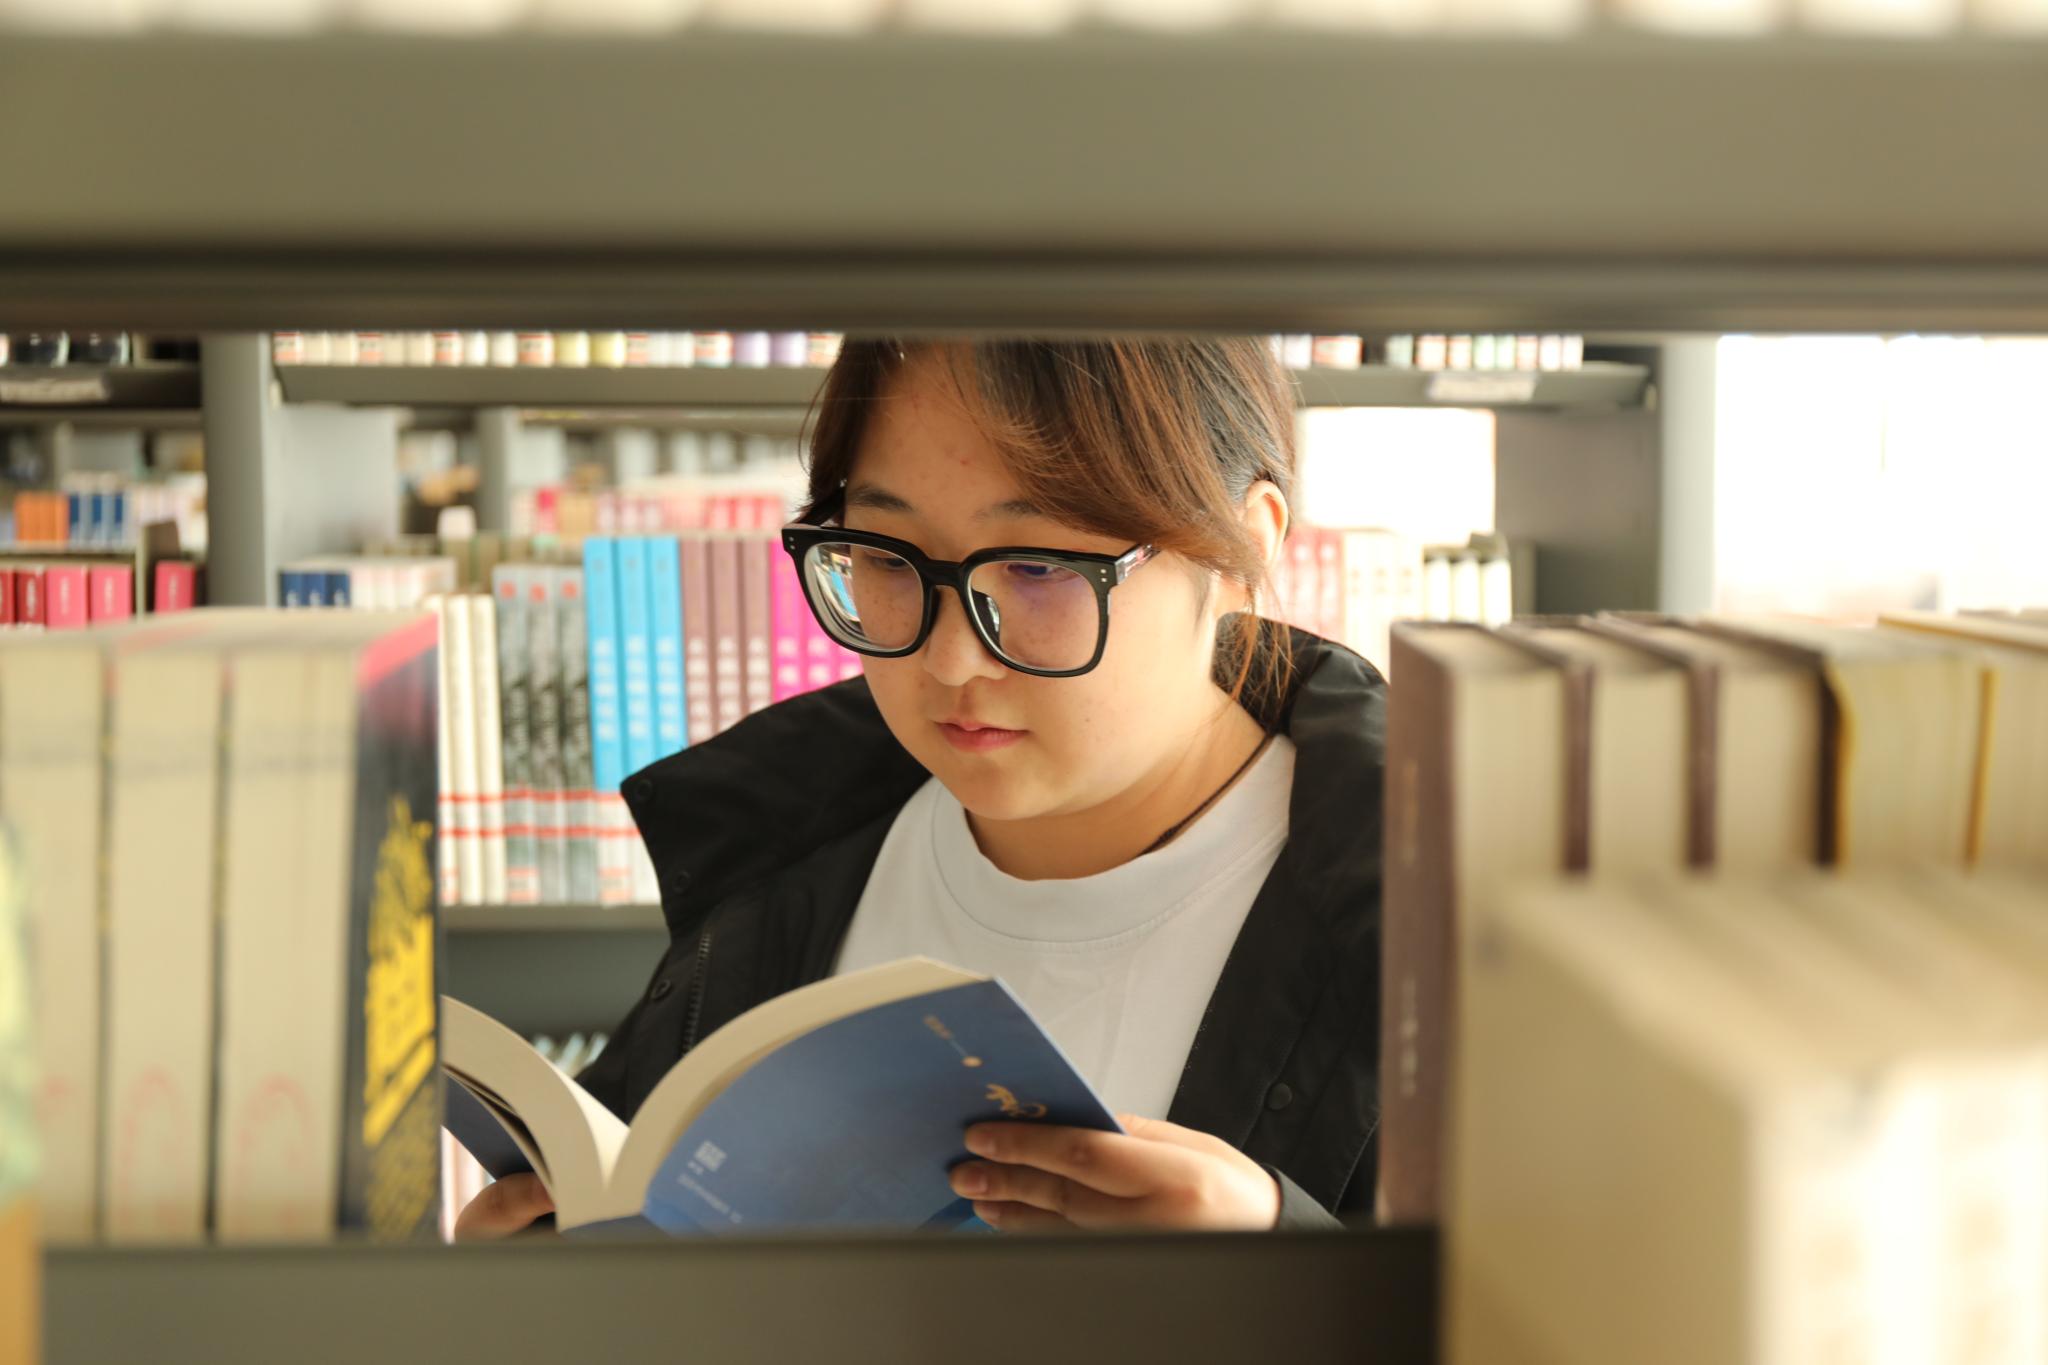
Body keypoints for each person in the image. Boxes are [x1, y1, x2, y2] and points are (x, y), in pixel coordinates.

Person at [457, 337, 1385, 1239]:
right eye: (889, 557)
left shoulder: (1414, 928)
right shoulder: (781, 853)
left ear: (1241, 549)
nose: (950, 658)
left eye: (1037, 567)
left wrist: (1282, 1259)